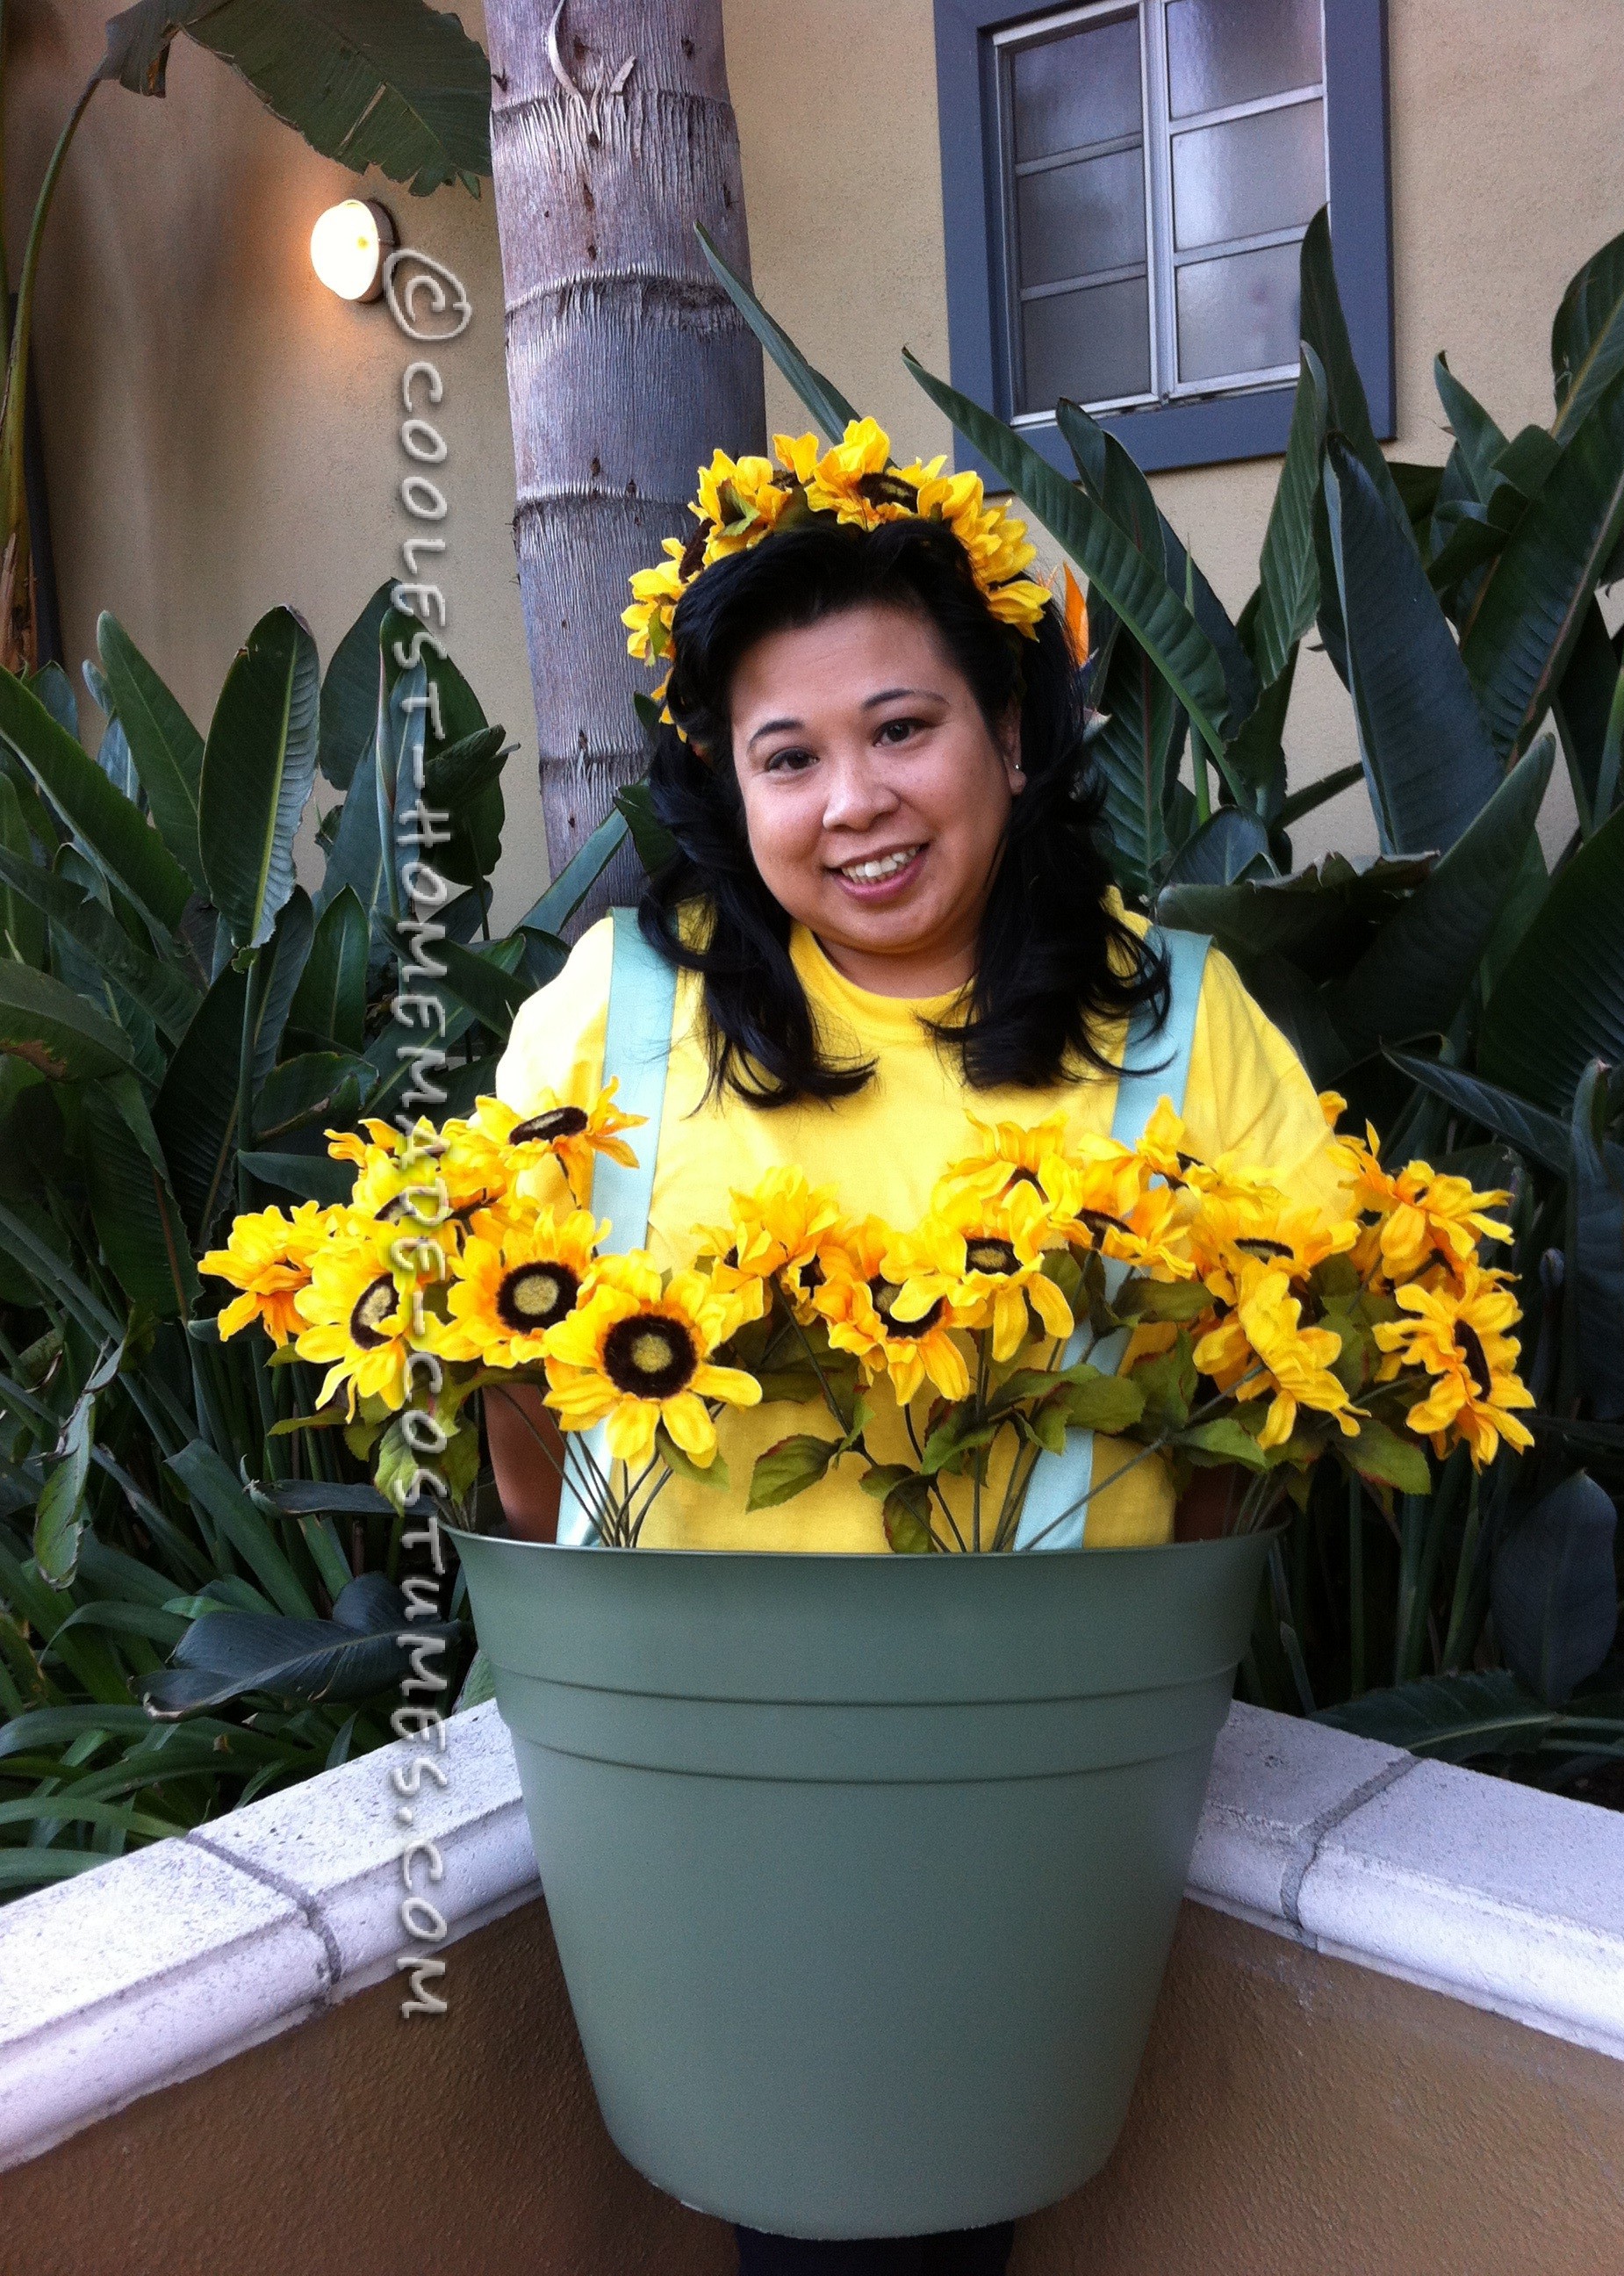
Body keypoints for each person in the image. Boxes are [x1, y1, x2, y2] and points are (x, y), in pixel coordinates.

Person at [485, 426, 1343, 2272]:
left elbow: (1254, 1415)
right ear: (726, 779)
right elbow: (507, 1370)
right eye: (784, 755)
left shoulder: (1181, 1026)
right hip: (699, 1795)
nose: (849, 801)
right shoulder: (613, 1015)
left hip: (1029, 1810)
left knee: (943, 2204)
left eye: (901, 727)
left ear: (1012, 738)